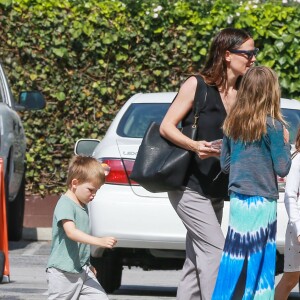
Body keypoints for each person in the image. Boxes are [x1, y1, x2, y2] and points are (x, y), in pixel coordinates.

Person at [159, 27, 258, 300]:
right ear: (227, 55)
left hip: (215, 189)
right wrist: (195, 145)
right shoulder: (197, 84)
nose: (252, 59)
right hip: (188, 186)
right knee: (216, 252)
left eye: (254, 53)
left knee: (196, 260)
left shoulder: (242, 91)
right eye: (247, 53)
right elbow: (167, 126)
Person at [212, 66, 292, 299]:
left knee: (233, 257)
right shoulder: (274, 127)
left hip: (238, 199)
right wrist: (285, 143)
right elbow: (282, 168)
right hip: (263, 199)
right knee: (261, 261)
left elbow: (225, 165)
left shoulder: (232, 124)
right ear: (271, 93)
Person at [46, 155, 117, 300]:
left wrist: (87, 263)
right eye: (91, 190)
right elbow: (71, 233)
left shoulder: (82, 206)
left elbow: (79, 243)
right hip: (63, 272)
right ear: (75, 183)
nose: (93, 195)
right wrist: (100, 242)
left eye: (96, 191)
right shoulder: (65, 204)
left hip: (82, 270)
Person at [275, 127, 300, 300]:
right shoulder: (298, 159)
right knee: (291, 278)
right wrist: (298, 228)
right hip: (298, 226)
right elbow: (290, 195)